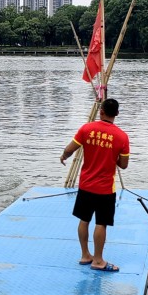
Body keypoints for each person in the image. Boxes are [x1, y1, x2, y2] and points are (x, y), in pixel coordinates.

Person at [59, 98, 130, 272]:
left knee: (84, 220)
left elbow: (69, 149)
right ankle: (98, 260)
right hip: (105, 188)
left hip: (85, 185)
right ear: (117, 114)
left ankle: (85, 255)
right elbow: (123, 165)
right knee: (101, 223)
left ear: (101, 111)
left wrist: (63, 157)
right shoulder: (122, 137)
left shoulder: (86, 129)